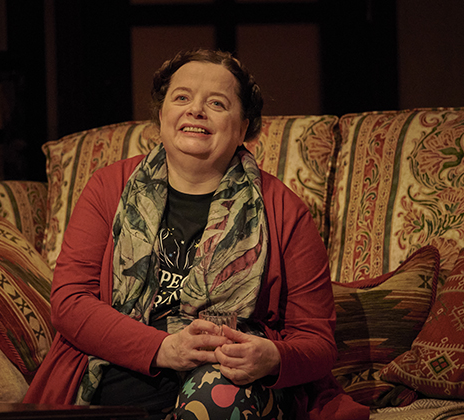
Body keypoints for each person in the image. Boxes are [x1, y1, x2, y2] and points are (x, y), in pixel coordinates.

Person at [24, 49, 368, 420]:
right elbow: (70, 302)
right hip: (120, 363)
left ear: (243, 127)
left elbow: (316, 341)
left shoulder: (285, 210)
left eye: (217, 103)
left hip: (232, 378)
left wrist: (273, 357)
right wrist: (164, 348)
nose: (195, 110)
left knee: (218, 396)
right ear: (161, 115)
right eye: (182, 97)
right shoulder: (107, 187)